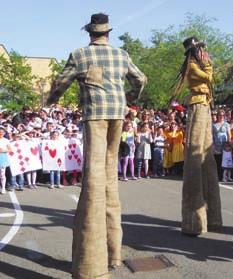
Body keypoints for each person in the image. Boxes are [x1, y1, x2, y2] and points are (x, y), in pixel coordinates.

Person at [46, 13, 147, 279]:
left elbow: (60, 83)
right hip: (118, 116)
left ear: (90, 33)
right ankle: (114, 254)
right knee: (110, 179)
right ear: (108, 33)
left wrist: (50, 101)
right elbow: (141, 80)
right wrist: (128, 99)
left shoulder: (79, 55)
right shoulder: (122, 54)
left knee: (93, 179)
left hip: (95, 118)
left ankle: (92, 262)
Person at [173, 36, 222, 236]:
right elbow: (209, 78)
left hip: (204, 105)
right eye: (201, 48)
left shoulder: (197, 63)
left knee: (207, 159)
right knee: (194, 158)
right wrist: (209, 64)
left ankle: (213, 218)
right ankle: (193, 221)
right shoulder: (193, 66)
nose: (204, 51)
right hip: (196, 105)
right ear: (195, 51)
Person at [0, 126, 11, 194]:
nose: (1, 133)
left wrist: (3, 150)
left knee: (2, 174)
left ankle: (3, 188)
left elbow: (10, 149)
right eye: (0, 132)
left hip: (3, 157)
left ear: (4, 133)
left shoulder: (6, 140)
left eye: (2, 132)